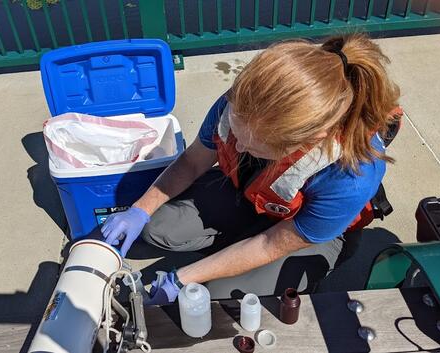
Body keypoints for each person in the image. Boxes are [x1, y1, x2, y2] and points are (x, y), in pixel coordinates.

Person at [100, 34, 402, 305]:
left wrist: (183, 278)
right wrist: (140, 209)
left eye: (253, 146)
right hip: (253, 196)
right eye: (236, 133)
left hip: (307, 233)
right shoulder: (242, 103)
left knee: (216, 296)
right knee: (157, 227)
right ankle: (235, 245)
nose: (238, 148)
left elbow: (271, 244)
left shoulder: (350, 175)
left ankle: (292, 270)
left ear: (309, 140)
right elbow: (193, 161)